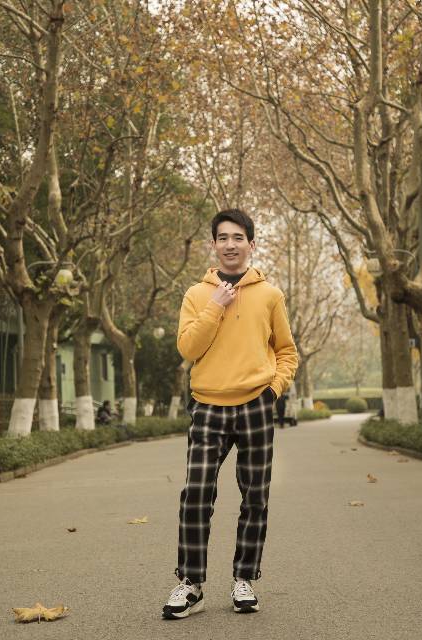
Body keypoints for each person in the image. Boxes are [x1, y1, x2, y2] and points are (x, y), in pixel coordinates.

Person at [162, 209, 298, 620]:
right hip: (208, 406)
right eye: (223, 237)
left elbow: (287, 351)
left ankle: (244, 579)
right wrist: (216, 306)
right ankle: (191, 584)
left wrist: (272, 391)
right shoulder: (196, 294)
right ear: (214, 245)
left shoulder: (270, 295)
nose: (230, 244)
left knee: (255, 496)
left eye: (238, 237)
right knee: (196, 494)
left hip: (256, 405)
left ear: (251, 244)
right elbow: (188, 348)